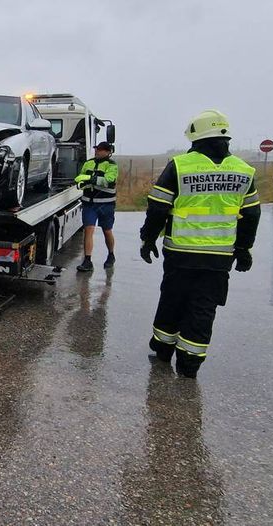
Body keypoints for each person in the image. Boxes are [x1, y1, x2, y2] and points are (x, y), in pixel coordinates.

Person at [139, 109, 261, 378]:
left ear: (196, 138)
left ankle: (162, 349)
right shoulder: (244, 171)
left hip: (180, 253)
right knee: (204, 308)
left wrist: (148, 238)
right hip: (218, 259)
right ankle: (190, 364)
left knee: (172, 299)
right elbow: (251, 214)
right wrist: (244, 249)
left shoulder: (181, 165)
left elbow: (158, 207)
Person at [74, 141, 118, 272]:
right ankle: (87, 261)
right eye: (96, 149)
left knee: (107, 231)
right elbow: (81, 178)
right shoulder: (89, 163)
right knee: (88, 230)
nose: (97, 151)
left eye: (99, 150)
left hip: (106, 204)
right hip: (89, 203)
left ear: (107, 152)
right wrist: (81, 183)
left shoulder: (112, 165)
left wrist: (91, 179)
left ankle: (111, 255)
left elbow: (108, 180)